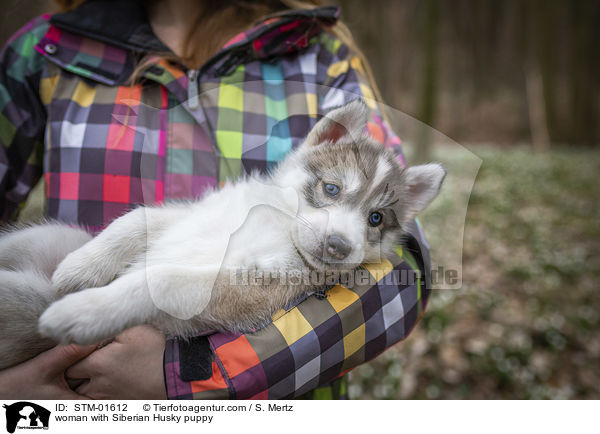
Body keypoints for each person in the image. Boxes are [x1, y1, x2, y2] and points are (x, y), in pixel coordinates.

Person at [0, 0, 431, 399]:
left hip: (246, 396)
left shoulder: (319, 54)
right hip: (58, 359)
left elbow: (401, 276)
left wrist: (198, 372)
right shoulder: (46, 50)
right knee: (43, 249)